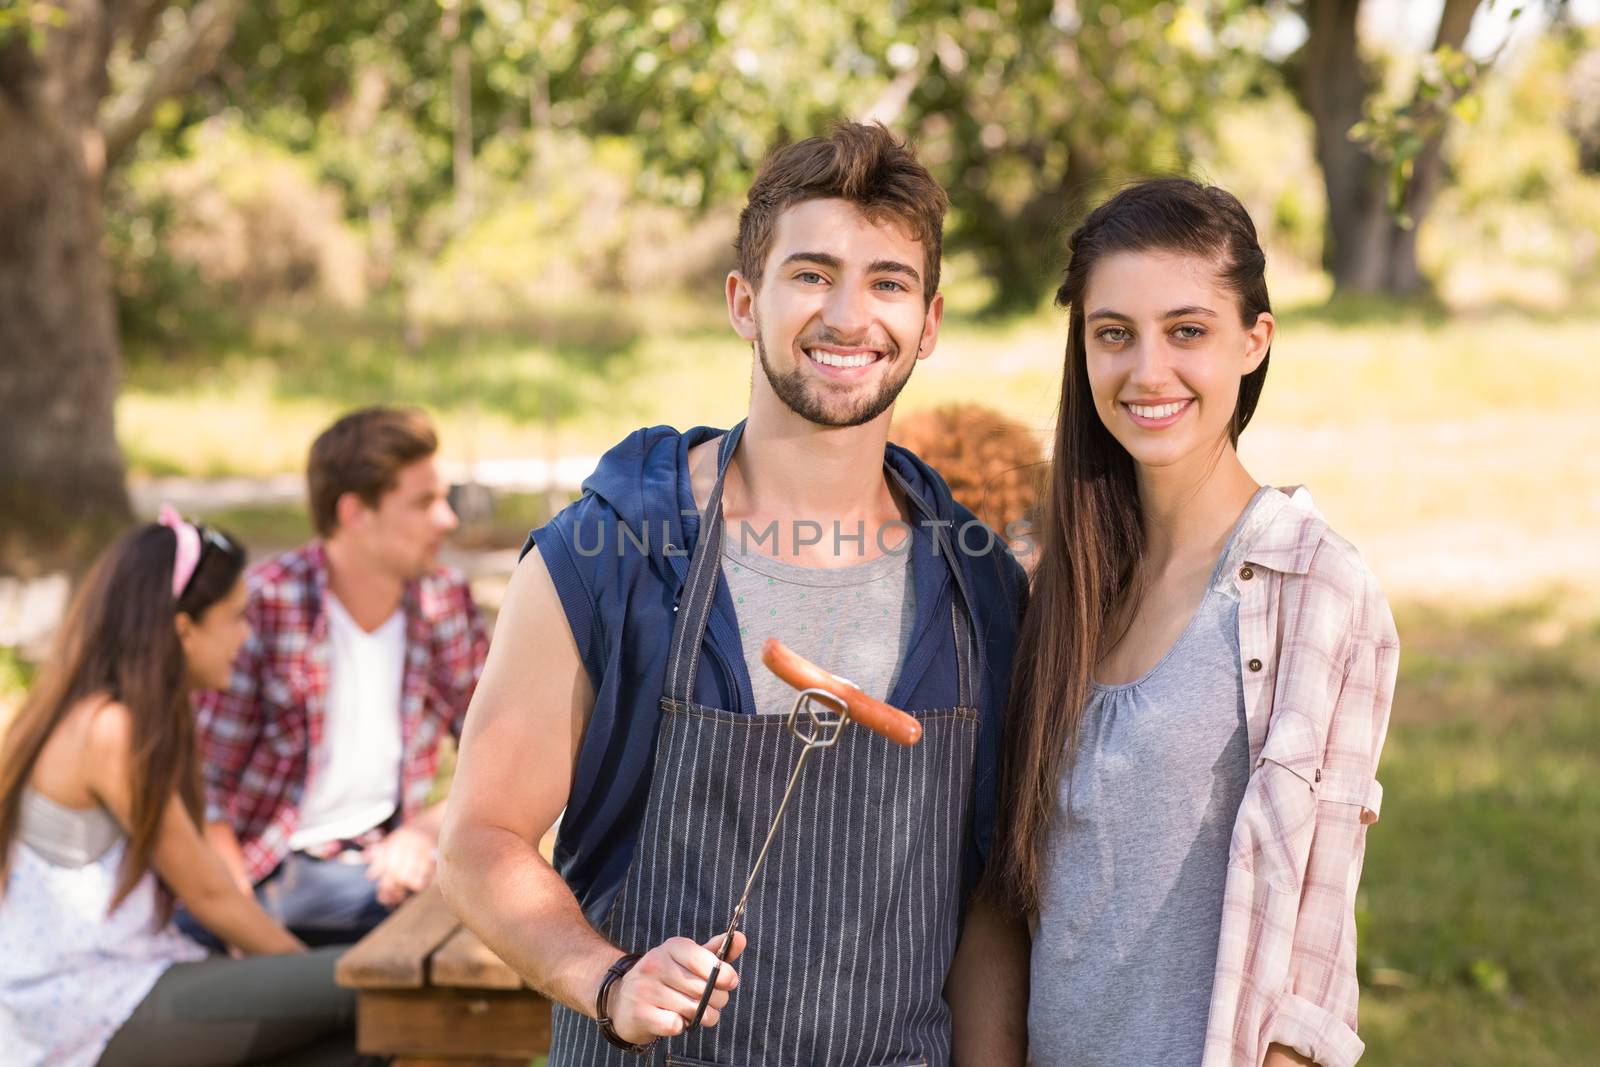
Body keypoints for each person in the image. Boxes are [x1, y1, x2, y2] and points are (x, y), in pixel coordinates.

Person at [438, 122, 1030, 1067]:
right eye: (811, 274)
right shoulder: (607, 554)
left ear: (930, 323)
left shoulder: (980, 586)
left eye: (888, 282)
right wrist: (607, 977)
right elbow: (479, 838)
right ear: (744, 301)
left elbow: (989, 903)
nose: (848, 315)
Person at [1000, 178, 1399, 1067]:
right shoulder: (1058, 582)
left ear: (1254, 341)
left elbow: (1317, 952)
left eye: (1187, 331)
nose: (1148, 371)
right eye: (1114, 334)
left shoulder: (1315, 585)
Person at [0, 511, 356, 1067]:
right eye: (236, 618)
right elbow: (209, 895)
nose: (246, 636)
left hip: (124, 982)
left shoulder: (113, 717)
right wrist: (304, 977)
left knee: (347, 1043)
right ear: (183, 629)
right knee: (369, 989)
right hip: (89, 1008)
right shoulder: (110, 730)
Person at [190, 406, 488, 948]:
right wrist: (237, 926)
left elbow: (499, 755)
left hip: (372, 872)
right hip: (261, 870)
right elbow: (206, 793)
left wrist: (424, 829)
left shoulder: (443, 602)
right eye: (423, 503)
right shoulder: (266, 604)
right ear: (355, 513)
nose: (447, 519)